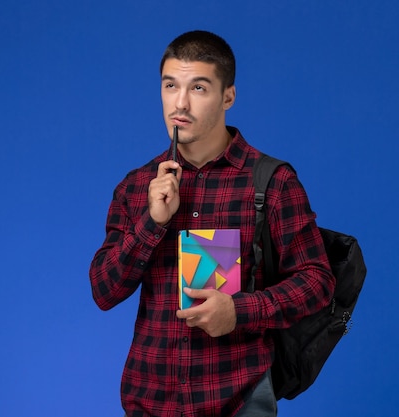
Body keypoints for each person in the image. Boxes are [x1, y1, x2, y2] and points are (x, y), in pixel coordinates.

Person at [89, 30, 335, 417]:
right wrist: (152, 224)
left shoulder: (270, 182)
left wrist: (241, 311)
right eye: (170, 85)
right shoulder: (138, 186)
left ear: (228, 97)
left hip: (238, 399)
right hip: (151, 400)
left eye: (199, 88)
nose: (180, 103)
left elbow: (317, 280)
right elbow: (104, 292)